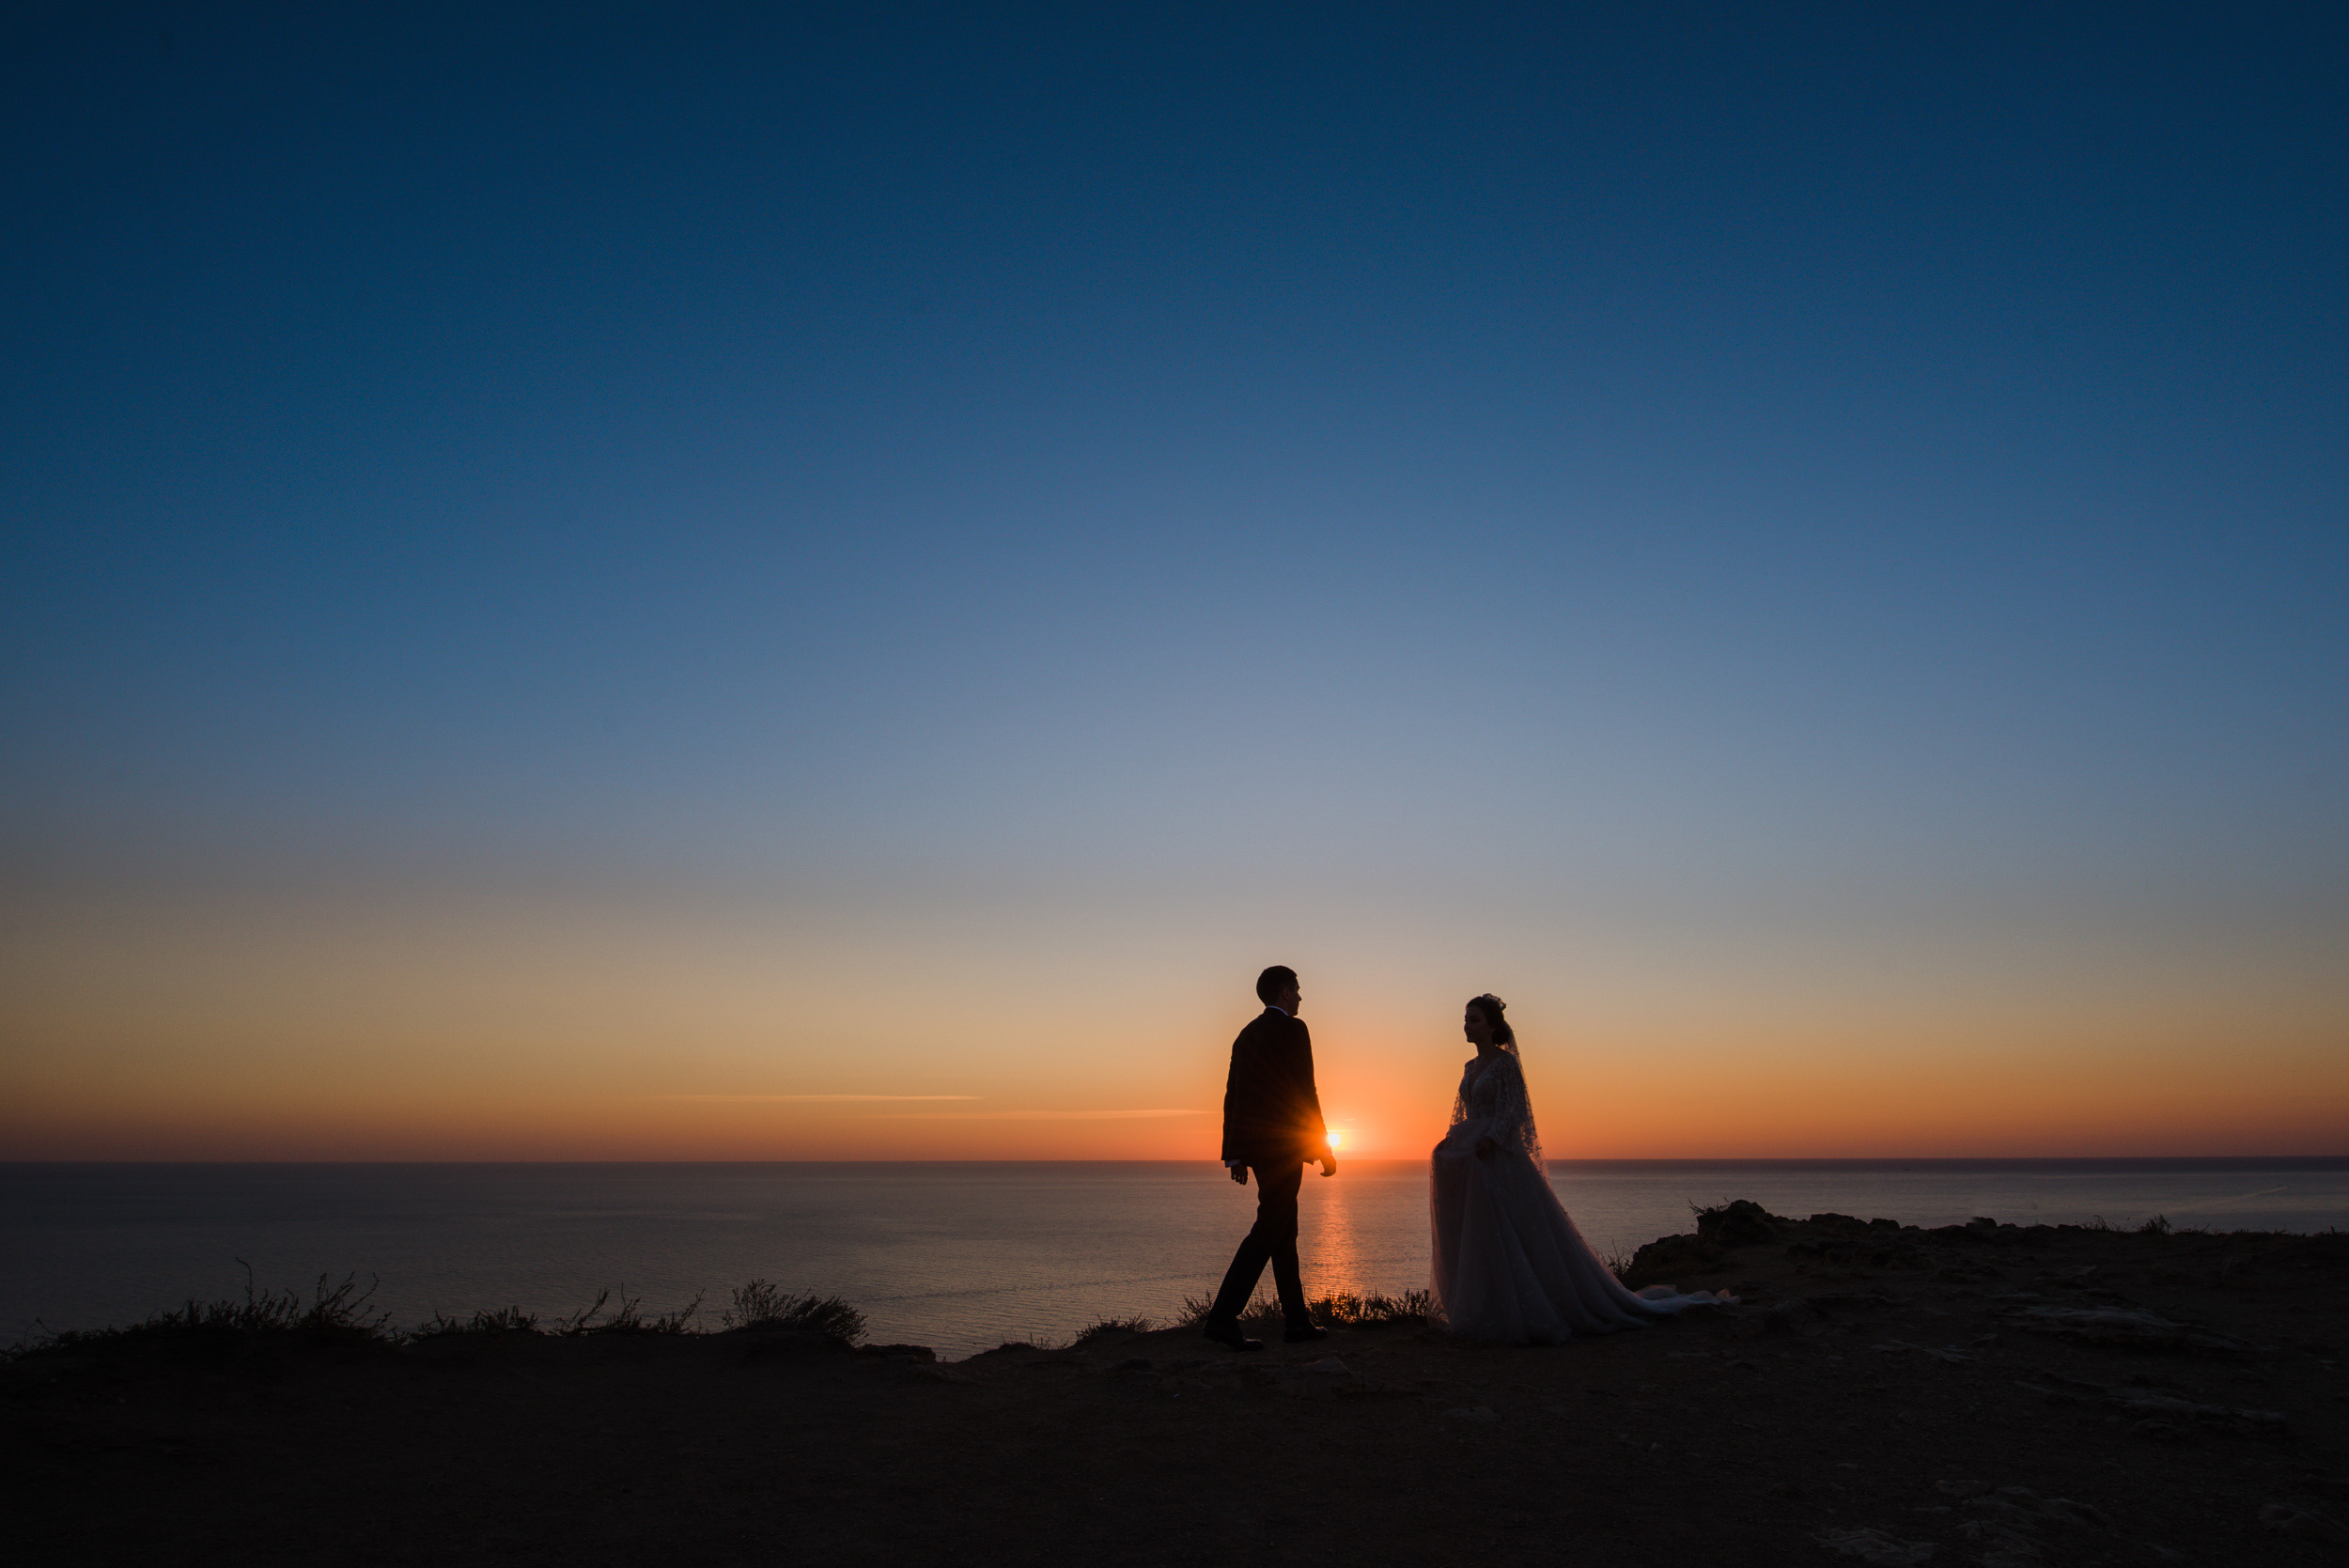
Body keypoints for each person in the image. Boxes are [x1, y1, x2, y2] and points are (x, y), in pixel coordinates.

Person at [1431, 993, 1729, 1343]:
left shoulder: (1506, 1065)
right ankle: (1483, 1307)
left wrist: (1491, 1140)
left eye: (1474, 1019)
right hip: (1476, 1160)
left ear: (1492, 1025)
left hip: (1498, 1159)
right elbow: (1463, 1114)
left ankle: (1530, 1308)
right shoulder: (1470, 1068)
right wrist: (1454, 1141)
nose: (1467, 1025)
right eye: (1466, 1019)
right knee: (1480, 1236)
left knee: (1514, 1235)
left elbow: (1515, 1112)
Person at [1200, 964, 1336, 1351]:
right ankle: (1222, 1319)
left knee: (1283, 1228)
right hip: (1284, 1147)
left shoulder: (1245, 1035)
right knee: (1269, 1229)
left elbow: (1233, 1096)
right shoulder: (1295, 1029)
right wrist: (1323, 1147)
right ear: (1282, 992)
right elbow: (1305, 1090)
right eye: (1296, 989)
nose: (1300, 996)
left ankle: (1296, 1322)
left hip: (1257, 1150)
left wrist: (1235, 1154)